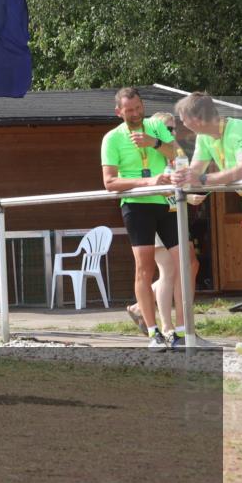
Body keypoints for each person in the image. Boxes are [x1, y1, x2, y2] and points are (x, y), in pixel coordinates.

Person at [101, 87, 189, 351]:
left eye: (139, 108)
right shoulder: (112, 138)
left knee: (182, 262)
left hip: (165, 203)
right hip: (136, 206)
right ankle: (154, 332)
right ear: (119, 112)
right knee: (145, 268)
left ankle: (182, 331)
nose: (136, 114)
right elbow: (110, 182)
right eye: (130, 111)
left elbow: (179, 156)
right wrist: (147, 181)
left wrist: (155, 144)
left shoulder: (155, 126)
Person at [125, 111, 202, 336]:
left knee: (185, 267)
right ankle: (167, 327)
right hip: (155, 214)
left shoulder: (174, 153)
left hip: (174, 214)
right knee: (169, 271)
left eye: (174, 129)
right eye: (167, 129)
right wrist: (187, 196)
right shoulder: (149, 153)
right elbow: (158, 186)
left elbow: (180, 183)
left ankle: (142, 307)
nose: (172, 133)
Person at [173, 92, 242, 189]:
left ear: (196, 119)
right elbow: (195, 171)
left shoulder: (239, 128)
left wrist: (203, 179)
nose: (183, 124)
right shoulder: (203, 137)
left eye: (183, 120)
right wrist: (181, 177)